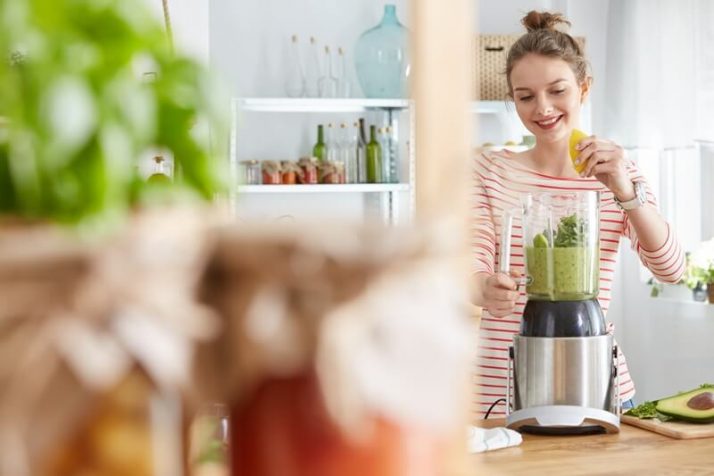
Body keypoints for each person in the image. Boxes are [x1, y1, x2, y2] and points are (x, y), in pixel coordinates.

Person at [471, 11, 685, 418]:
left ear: (584, 89)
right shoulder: (489, 170)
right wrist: (484, 289)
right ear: (512, 99)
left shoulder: (618, 172)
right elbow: (472, 262)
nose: (543, 108)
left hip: (598, 386)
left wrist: (625, 191)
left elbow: (670, 268)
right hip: (503, 390)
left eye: (557, 90)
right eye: (526, 96)